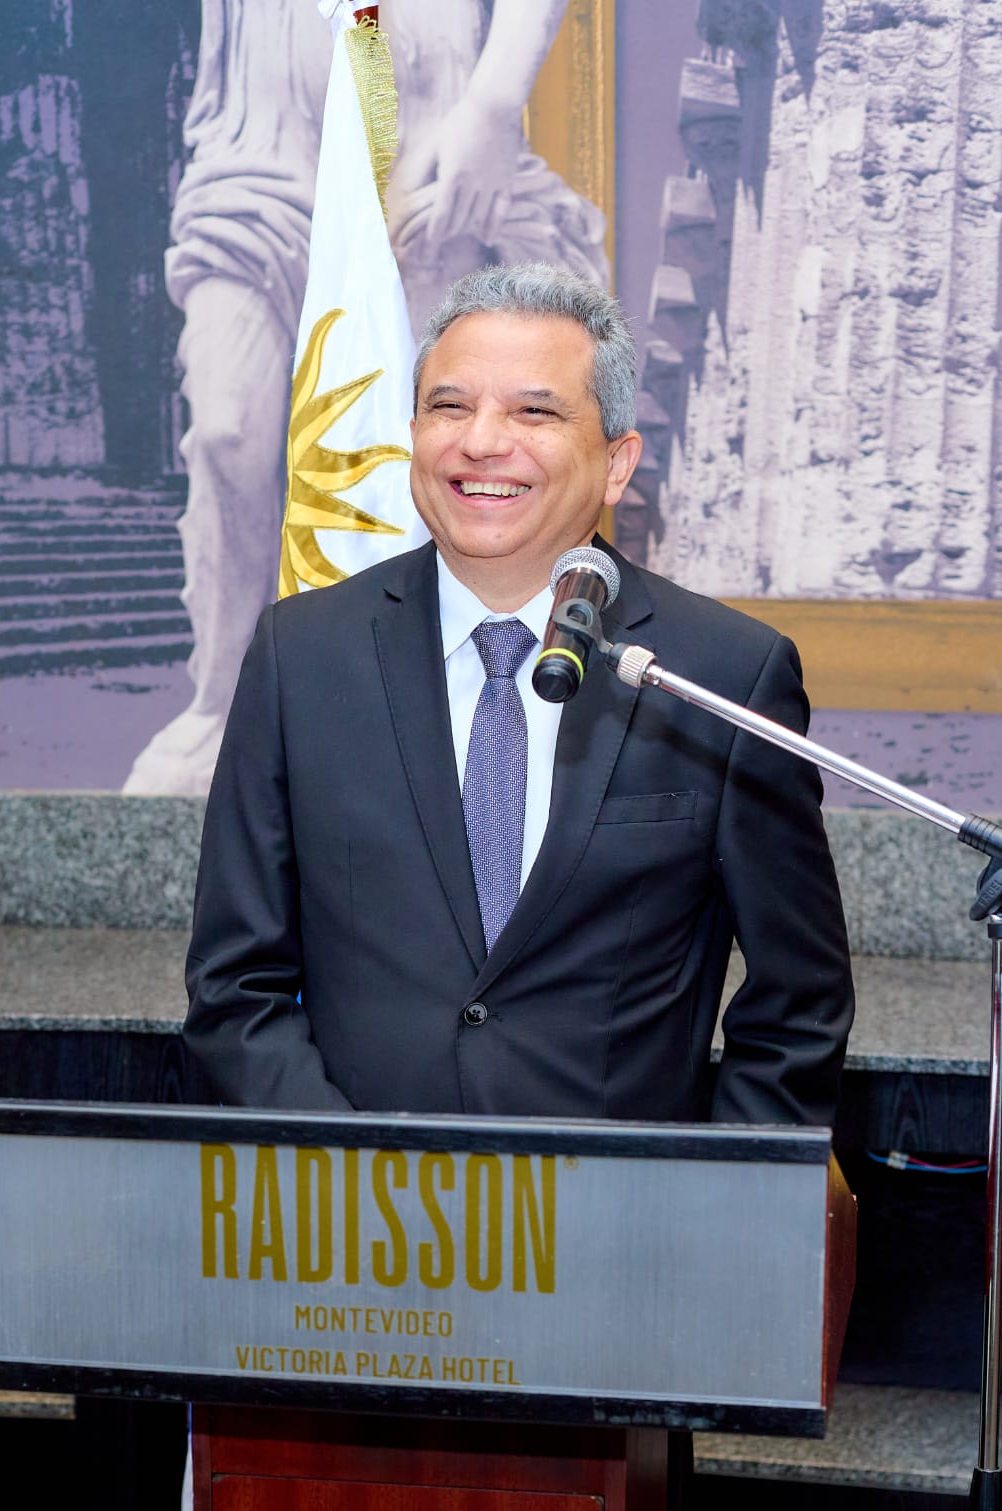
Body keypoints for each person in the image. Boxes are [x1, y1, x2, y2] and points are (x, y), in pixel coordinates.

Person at [184, 262, 854, 1127]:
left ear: (616, 464)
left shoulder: (722, 671)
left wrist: (706, 1202)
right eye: (449, 407)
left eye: (533, 411)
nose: (480, 442)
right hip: (353, 1224)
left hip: (623, 1226)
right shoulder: (300, 653)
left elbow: (798, 1004)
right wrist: (343, 1175)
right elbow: (235, 986)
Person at [125, 0, 607, 796]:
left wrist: (488, 110)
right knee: (224, 432)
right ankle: (222, 701)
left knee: (419, 449)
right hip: (262, 151)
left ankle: (428, 707)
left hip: (426, 134)